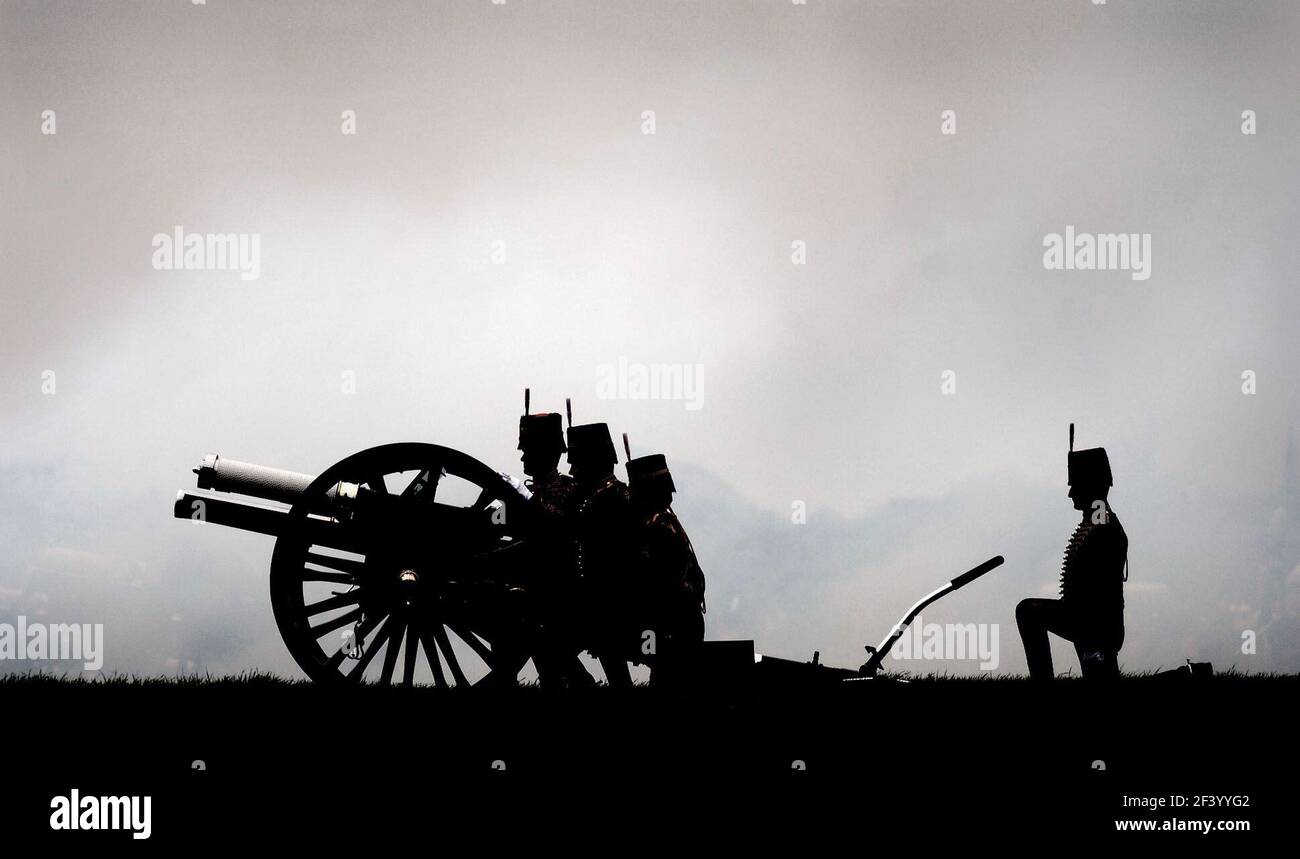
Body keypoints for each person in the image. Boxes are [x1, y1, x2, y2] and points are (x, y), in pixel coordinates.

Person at [1016, 427, 1128, 680]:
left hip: (1095, 625)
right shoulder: (1098, 520)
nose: (1070, 494)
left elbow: (1102, 587)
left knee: (1028, 611)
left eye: (1076, 486)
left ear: (1091, 486)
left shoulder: (1103, 524)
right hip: (1090, 621)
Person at [565, 408, 637, 688]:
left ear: (593, 462)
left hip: (609, 602)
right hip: (602, 600)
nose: (572, 470)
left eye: (577, 463)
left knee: (555, 644)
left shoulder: (610, 499)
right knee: (612, 663)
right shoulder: (603, 495)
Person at [624, 445, 705, 686]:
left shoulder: (657, 526)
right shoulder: (666, 521)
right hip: (679, 619)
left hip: (674, 621)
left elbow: (660, 581)